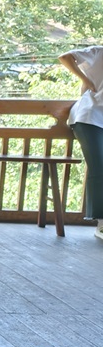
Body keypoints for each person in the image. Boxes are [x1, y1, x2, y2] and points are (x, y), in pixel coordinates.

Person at [59, 46, 103, 240]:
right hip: (89, 116)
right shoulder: (99, 52)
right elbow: (65, 57)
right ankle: (101, 223)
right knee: (99, 166)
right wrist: (86, 80)